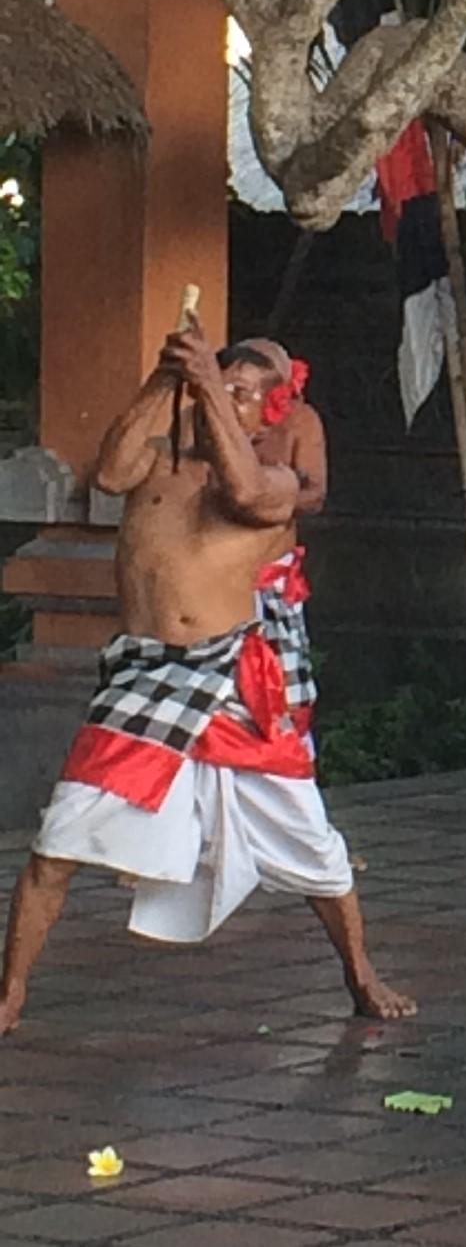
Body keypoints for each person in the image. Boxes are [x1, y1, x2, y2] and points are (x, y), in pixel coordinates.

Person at [0, 328, 411, 1038]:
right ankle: (9, 993)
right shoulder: (157, 462)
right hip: (144, 675)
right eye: (224, 387)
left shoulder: (275, 482)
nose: (232, 400)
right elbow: (109, 474)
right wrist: (166, 379)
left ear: (267, 414)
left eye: (247, 395)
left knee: (309, 838)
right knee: (60, 837)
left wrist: (212, 392)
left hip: (232, 680)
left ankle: (360, 972)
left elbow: (245, 492)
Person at [238, 340, 323, 666]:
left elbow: (315, 494)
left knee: (277, 677)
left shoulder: (300, 420)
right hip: (214, 578)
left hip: (269, 572)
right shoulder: (210, 419)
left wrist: (261, 503)